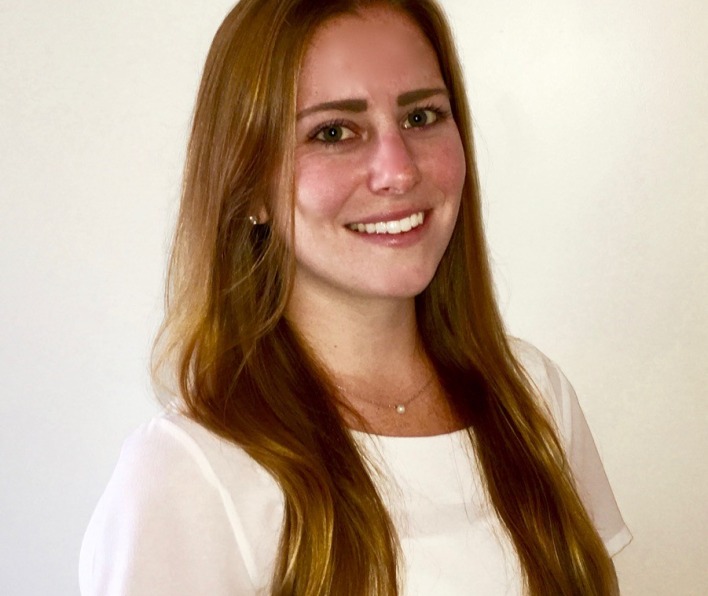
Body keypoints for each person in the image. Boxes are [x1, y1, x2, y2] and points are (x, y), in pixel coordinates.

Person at [79, 0, 631, 594]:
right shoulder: (189, 475)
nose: (397, 171)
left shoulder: (534, 395)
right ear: (250, 187)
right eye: (334, 132)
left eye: (421, 117)